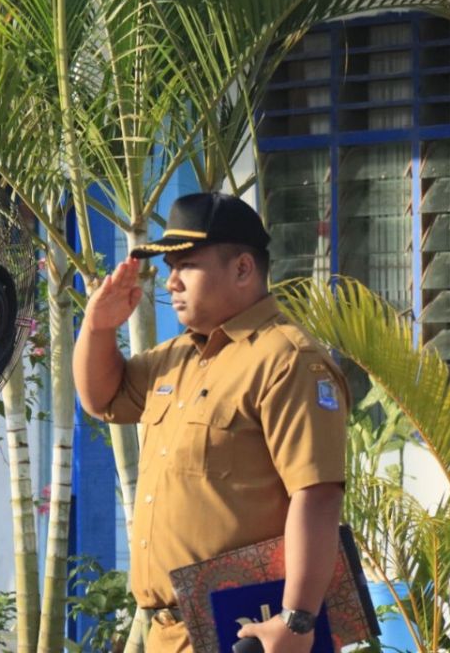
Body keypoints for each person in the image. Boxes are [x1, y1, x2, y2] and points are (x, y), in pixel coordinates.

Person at [72, 192, 350, 653]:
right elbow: (102, 398)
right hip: (168, 630)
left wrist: (297, 621)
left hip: (246, 631)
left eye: (187, 266)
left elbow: (317, 494)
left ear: (243, 269)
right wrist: (98, 326)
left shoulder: (286, 359)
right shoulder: (178, 357)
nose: (171, 283)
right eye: (169, 269)